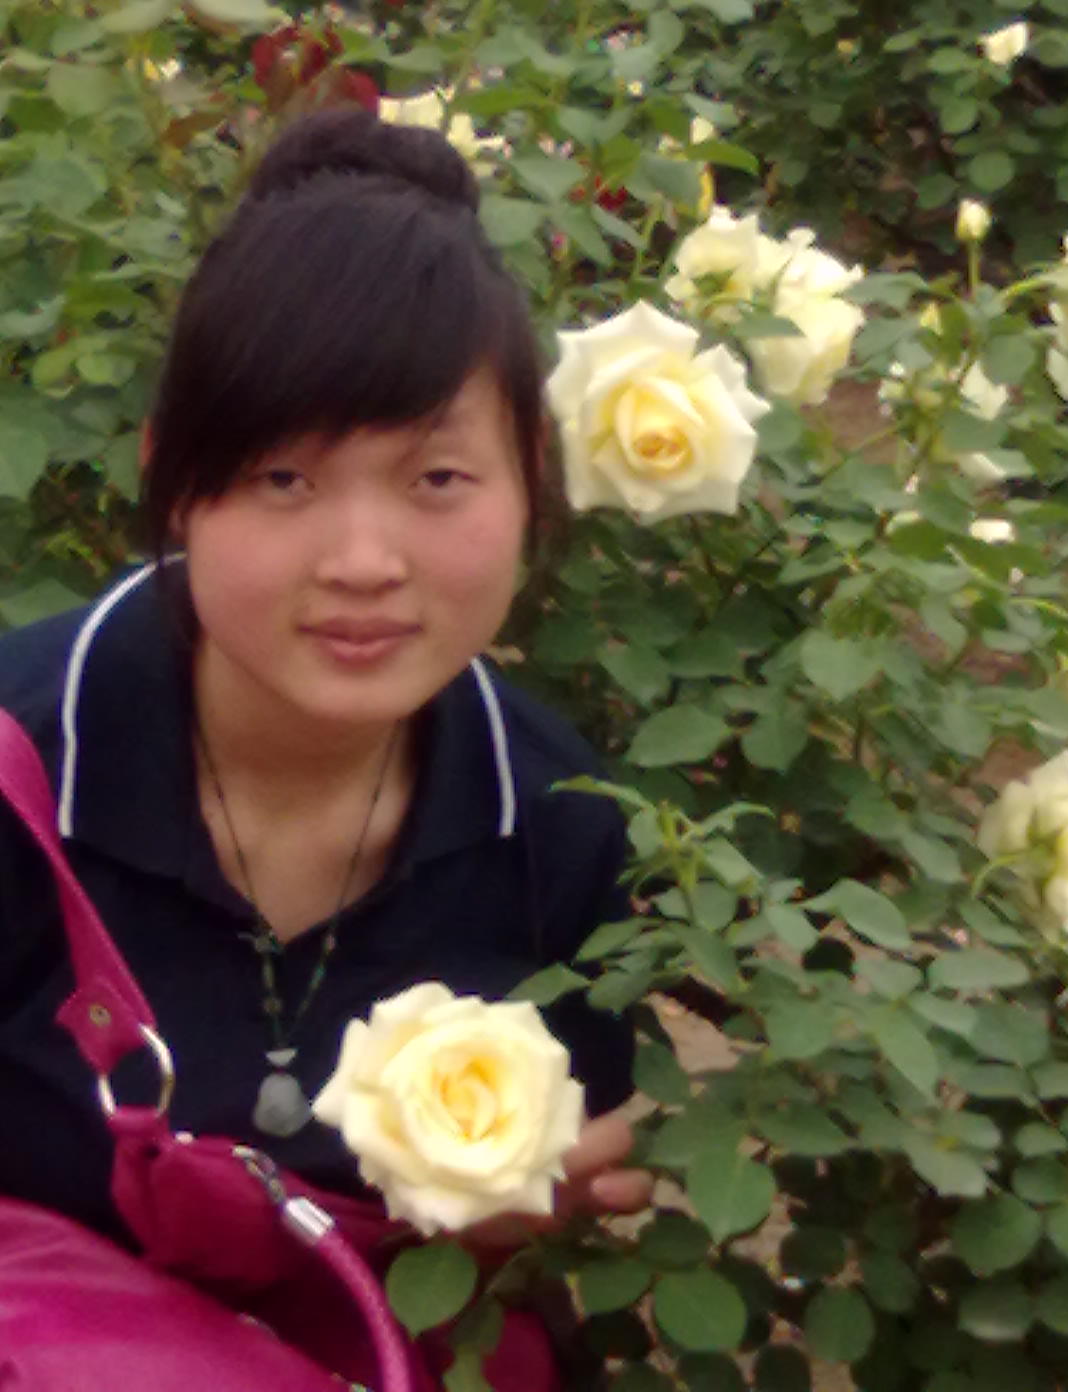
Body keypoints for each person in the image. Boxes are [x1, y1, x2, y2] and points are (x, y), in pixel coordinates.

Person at [0, 110, 650, 1274]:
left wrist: (517, 1216)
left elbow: (575, 1191)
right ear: (172, 479)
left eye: (436, 477)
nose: (363, 561)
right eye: (283, 477)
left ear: (531, 479)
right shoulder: (20, 768)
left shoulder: (565, 831)